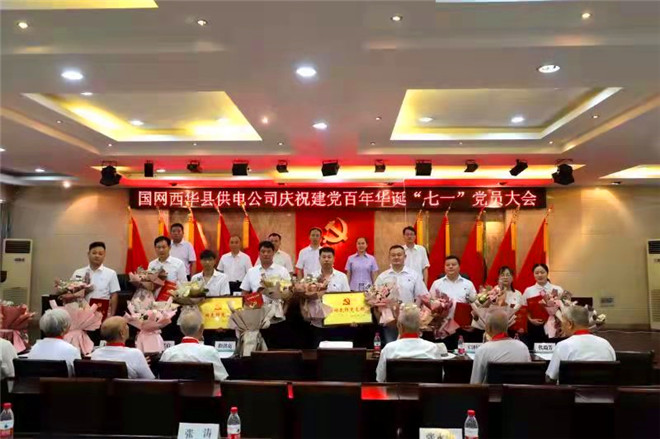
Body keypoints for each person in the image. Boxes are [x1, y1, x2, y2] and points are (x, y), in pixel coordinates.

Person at [546, 305, 615, 383]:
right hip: (603, 390)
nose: (561, 326)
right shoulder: (606, 344)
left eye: (562, 322)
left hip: (571, 390)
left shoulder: (562, 346)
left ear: (570, 324)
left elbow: (551, 378)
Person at [374, 245, 428, 344]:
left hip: (409, 321)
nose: (396, 257)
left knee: (409, 348)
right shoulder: (382, 277)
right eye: (393, 255)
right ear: (389, 257)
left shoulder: (414, 275)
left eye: (399, 255)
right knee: (391, 347)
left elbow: (423, 296)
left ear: (405, 257)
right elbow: (375, 299)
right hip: (389, 321)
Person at [375, 304, 443, 382]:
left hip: (396, 390)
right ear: (420, 326)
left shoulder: (389, 349)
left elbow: (380, 378)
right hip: (425, 390)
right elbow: (441, 376)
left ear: (400, 326)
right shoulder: (432, 348)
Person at [160, 310, 229, 381]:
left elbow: (161, 378)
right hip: (203, 388)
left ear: (181, 329)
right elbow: (221, 378)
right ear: (201, 328)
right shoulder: (210, 351)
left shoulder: (168, 353)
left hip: (175, 389)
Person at [428, 255, 477, 349]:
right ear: (444, 267)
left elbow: (475, 304)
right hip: (443, 327)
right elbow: (430, 302)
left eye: (453, 264)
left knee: (461, 354)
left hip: (462, 327)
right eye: (447, 265)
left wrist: (473, 323)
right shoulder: (437, 284)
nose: (450, 267)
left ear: (459, 267)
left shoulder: (468, 284)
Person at [470, 310, 531, 384]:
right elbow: (529, 377)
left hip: (492, 391)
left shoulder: (482, 350)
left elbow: (475, 383)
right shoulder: (523, 347)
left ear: (488, 328)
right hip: (519, 391)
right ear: (507, 326)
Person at [71, 241, 121, 316]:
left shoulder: (111, 273)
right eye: (94, 253)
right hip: (81, 312)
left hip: (101, 311)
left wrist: (112, 315)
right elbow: (71, 292)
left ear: (104, 255)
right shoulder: (78, 272)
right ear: (88, 254)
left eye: (100, 254)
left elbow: (114, 295)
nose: (97, 256)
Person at [28, 309, 81, 376]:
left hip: (37, 382)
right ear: (66, 328)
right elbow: (78, 374)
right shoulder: (71, 350)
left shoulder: (34, 348)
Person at [523, 263, 564, 330]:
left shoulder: (557, 289)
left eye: (542, 272)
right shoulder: (528, 291)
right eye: (536, 273)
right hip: (534, 327)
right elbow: (524, 309)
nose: (540, 275)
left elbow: (564, 309)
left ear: (547, 273)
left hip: (554, 327)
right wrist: (530, 320)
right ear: (533, 274)